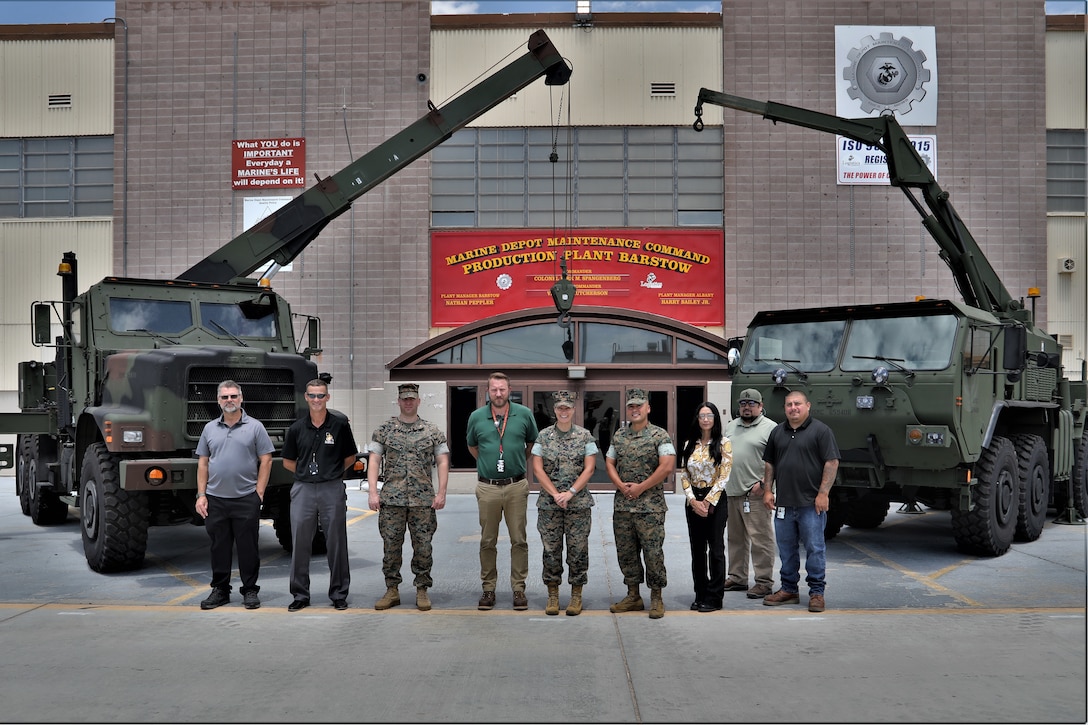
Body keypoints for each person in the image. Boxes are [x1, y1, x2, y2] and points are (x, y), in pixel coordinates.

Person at [366, 383, 450, 612]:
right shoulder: (384, 430)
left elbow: (442, 461)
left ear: (419, 401)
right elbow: (373, 461)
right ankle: (392, 589)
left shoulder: (432, 431)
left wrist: (441, 492)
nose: (408, 402)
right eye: (404, 399)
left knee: (423, 547)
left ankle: (422, 589)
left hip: (423, 500)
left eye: (412, 399)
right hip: (392, 500)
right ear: (399, 401)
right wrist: (373, 492)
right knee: (391, 547)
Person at [195, 380, 274, 610]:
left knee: (248, 547)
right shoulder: (209, 428)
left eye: (233, 396)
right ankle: (220, 590)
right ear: (218, 401)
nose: (229, 401)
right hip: (216, 499)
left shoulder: (255, 427)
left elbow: (266, 459)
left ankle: (250, 590)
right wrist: (201, 495)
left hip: (246, 498)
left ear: (241, 398)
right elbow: (203, 463)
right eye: (225, 397)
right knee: (219, 547)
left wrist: (258, 493)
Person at [282, 378, 359, 612]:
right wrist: (307, 474)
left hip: (331, 488)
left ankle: (338, 593)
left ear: (327, 397)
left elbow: (350, 457)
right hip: (304, 488)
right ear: (306, 397)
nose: (316, 400)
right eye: (312, 395)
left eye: (321, 395)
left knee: (336, 541)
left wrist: (331, 473)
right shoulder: (296, 428)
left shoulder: (339, 425)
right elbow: (287, 462)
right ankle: (300, 594)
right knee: (300, 542)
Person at [761, 389, 840, 613]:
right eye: (789, 405)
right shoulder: (777, 432)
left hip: (810, 505)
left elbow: (832, 462)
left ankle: (816, 593)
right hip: (784, 504)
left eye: (797, 404)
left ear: (808, 406)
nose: (793, 408)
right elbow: (770, 464)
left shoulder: (821, 431)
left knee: (815, 549)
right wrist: (768, 491)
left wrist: (823, 494)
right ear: (784, 408)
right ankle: (788, 590)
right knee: (786, 549)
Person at [467, 372, 539, 610]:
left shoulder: (524, 414)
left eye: (502, 389)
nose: (498, 394)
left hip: (516, 486)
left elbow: (531, 445)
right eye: (494, 389)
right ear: (487, 391)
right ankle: (488, 589)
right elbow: (472, 446)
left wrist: (515, 463)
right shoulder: (477, 417)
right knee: (487, 540)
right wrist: (489, 464)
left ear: (510, 390)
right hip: (487, 487)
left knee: (519, 540)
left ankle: (518, 589)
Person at [606, 388, 676, 619]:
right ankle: (633, 595)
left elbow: (666, 466)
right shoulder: (619, 436)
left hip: (650, 507)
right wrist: (620, 485)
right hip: (624, 506)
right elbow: (609, 462)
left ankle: (656, 597)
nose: (635, 410)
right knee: (626, 553)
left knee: (653, 552)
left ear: (648, 408)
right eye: (631, 406)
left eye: (639, 405)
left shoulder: (660, 435)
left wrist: (640, 487)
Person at [530, 390, 597, 616]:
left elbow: (589, 468)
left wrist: (569, 493)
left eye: (567, 407)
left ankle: (576, 595)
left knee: (578, 550)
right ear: (554, 410)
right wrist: (555, 494)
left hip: (578, 504)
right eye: (560, 407)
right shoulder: (543, 436)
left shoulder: (585, 436)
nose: (564, 411)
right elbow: (537, 469)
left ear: (573, 409)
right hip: (549, 506)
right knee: (551, 550)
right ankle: (553, 594)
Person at [722, 388, 779, 600]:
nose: (747, 406)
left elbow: (779, 461)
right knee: (735, 538)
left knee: (760, 539)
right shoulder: (730, 426)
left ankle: (764, 582)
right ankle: (737, 577)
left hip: (755, 494)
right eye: (743, 403)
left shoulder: (771, 428)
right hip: (732, 491)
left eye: (752, 403)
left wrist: (765, 485)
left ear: (761, 406)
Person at [677, 402, 732, 612]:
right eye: (702, 416)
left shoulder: (724, 443)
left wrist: (708, 502)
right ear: (697, 419)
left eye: (709, 415)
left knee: (716, 550)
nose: (706, 419)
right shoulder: (689, 444)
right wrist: (692, 500)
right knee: (697, 550)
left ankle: (714, 597)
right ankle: (700, 594)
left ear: (716, 418)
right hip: (693, 500)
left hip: (715, 499)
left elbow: (724, 475)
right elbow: (684, 474)